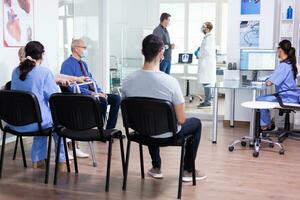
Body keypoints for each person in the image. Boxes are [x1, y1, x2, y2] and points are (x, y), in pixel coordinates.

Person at [122, 34, 206, 182]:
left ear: (142, 51)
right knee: (196, 123)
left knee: (147, 116)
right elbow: (181, 119)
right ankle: (187, 170)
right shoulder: (170, 82)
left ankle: (156, 167)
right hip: (168, 136)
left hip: (142, 134)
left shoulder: (127, 81)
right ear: (161, 53)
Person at [9, 41, 66, 169]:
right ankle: (62, 160)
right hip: (35, 123)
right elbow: (54, 98)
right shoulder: (44, 72)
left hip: (15, 122)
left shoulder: (15, 71)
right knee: (58, 122)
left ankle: (39, 160)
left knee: (42, 117)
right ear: (42, 55)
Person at [60, 38, 121, 157]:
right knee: (102, 101)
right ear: (76, 48)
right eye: (84, 48)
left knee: (116, 99)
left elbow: (91, 80)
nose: (85, 50)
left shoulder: (84, 64)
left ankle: (108, 130)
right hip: (81, 96)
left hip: (93, 93)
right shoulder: (67, 65)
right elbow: (71, 87)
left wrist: (99, 91)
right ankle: (100, 132)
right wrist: (91, 93)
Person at [257, 40, 300, 130]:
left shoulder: (283, 66)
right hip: (292, 95)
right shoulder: (289, 64)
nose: (277, 51)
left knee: (259, 100)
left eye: (277, 49)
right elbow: (277, 77)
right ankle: (267, 123)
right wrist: (270, 77)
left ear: (280, 50)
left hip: (286, 97)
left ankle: (265, 126)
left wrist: (267, 79)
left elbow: (269, 83)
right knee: (263, 98)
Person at [197, 22, 216, 108]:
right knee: (207, 82)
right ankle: (208, 100)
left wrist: (198, 54)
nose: (202, 28)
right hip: (206, 63)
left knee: (207, 82)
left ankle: (208, 101)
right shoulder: (207, 37)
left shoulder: (209, 38)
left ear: (208, 29)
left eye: (204, 27)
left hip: (206, 64)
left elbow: (206, 51)